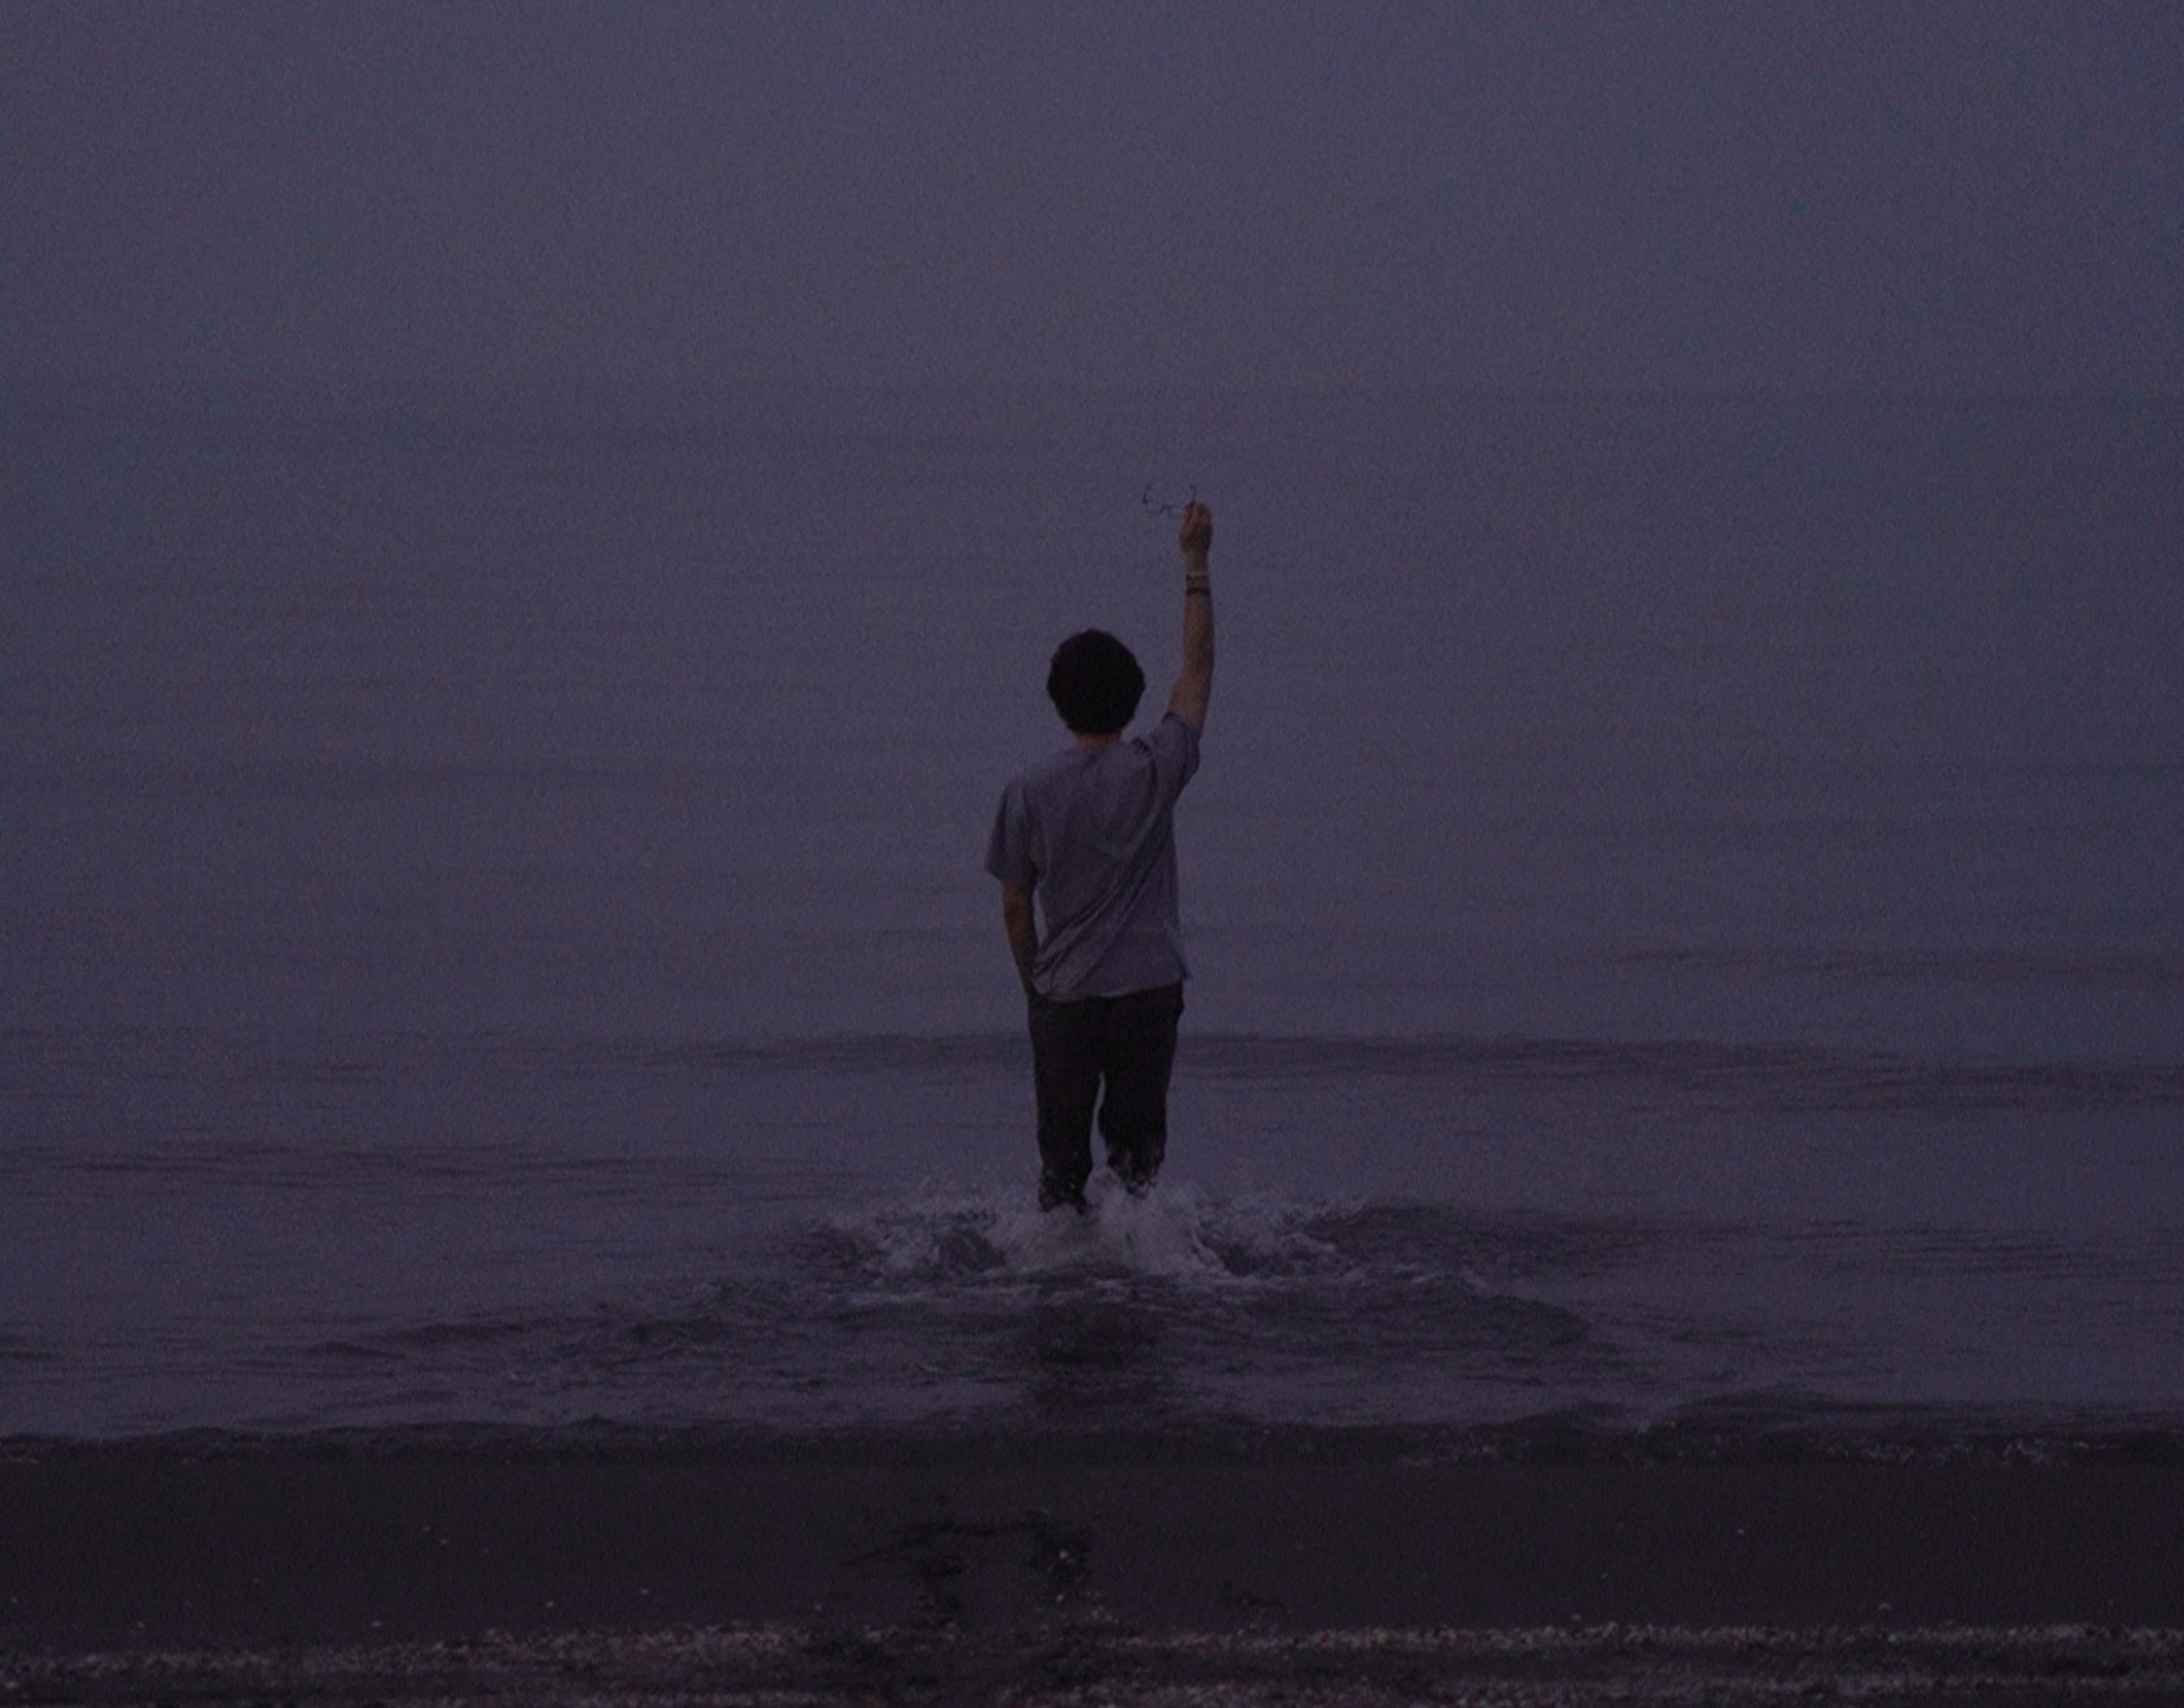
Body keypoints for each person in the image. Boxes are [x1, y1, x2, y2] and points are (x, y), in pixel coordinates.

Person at [984, 502, 1215, 1211]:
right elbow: (1198, 669)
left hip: (1067, 995)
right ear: (1134, 698)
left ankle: (1063, 1266)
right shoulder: (1155, 767)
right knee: (1138, 1171)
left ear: (1058, 703)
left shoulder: (1028, 791)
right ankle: (1138, 1257)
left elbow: (1016, 908)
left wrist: (1036, 989)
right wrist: (1196, 562)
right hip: (1149, 989)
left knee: (1061, 1173)